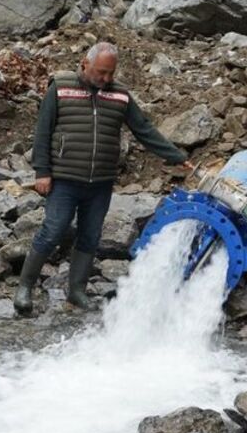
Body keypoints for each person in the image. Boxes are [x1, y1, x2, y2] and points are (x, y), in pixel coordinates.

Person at [14, 42, 193, 314]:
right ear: (85, 63)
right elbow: (43, 132)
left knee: (90, 235)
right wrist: (42, 172)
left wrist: (176, 156)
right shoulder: (60, 88)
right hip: (64, 178)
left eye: (111, 73)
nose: (106, 78)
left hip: (100, 182)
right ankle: (24, 288)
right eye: (101, 72)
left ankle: (77, 292)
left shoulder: (120, 95)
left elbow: (144, 129)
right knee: (53, 230)